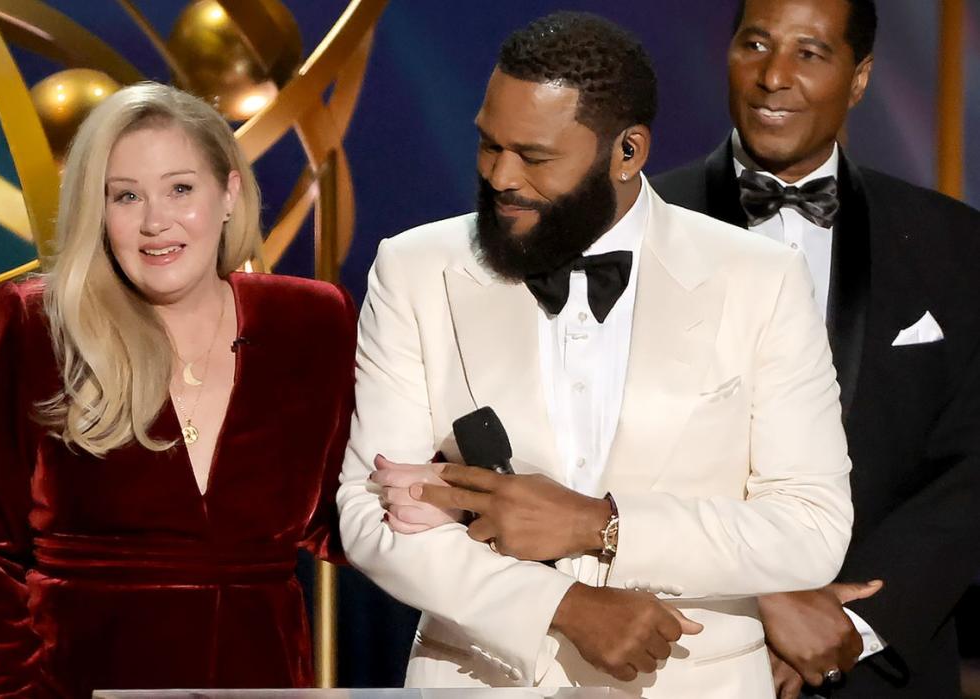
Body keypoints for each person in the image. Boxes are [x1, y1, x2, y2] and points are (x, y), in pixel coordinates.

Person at [337, 11, 853, 698]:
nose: (500, 177)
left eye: (535, 155)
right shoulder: (415, 269)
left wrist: (601, 525)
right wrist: (558, 606)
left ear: (628, 152)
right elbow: (371, 510)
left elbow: (810, 526)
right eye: (489, 145)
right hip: (478, 677)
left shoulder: (758, 278)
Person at [0, 82, 356, 698]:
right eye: (126, 196)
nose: (156, 221)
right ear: (97, 211)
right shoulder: (41, 324)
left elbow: (336, 520)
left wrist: (432, 505)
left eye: (181, 189)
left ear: (229, 194)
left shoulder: (310, 321)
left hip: (264, 678)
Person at [654, 1, 980, 696]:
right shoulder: (633, 228)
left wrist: (854, 625)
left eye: (810, 53)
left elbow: (970, 469)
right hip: (677, 654)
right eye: (756, 44)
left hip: (883, 668)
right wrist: (748, 609)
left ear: (859, 78)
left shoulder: (952, 244)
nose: (775, 76)